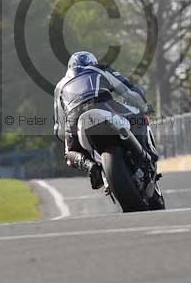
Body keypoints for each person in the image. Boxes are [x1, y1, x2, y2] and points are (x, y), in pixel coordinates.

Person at [53, 51, 156, 189]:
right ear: (93, 63)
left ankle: (90, 166)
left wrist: (66, 138)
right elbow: (129, 91)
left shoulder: (59, 86)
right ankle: (146, 157)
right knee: (139, 116)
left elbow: (59, 127)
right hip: (103, 105)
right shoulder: (100, 69)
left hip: (74, 118)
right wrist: (144, 106)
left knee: (69, 154)